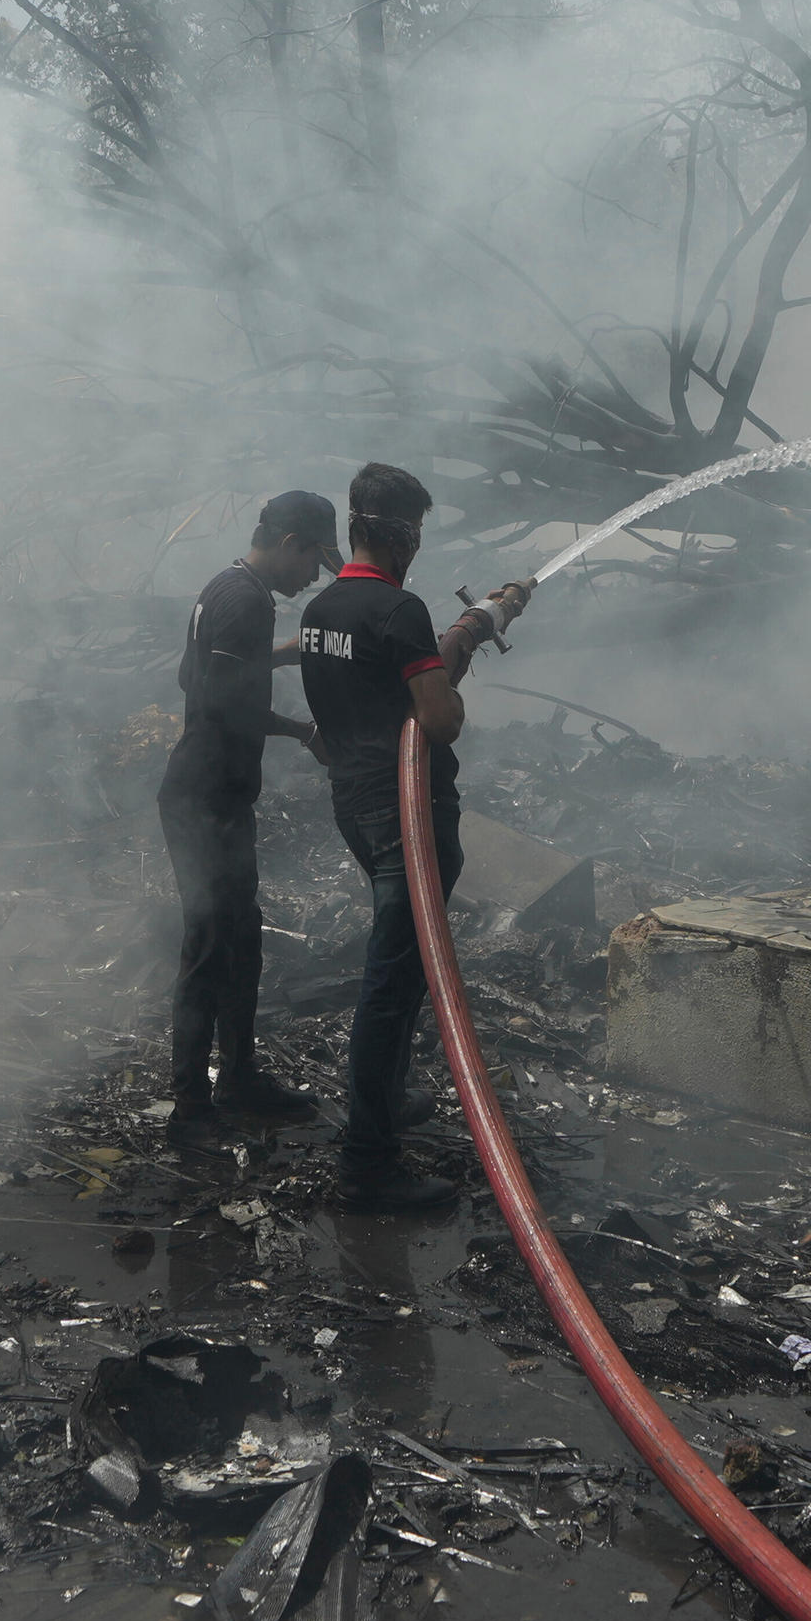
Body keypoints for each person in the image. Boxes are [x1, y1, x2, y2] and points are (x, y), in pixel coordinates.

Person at [296, 460, 528, 1208]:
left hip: (354, 807)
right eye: (418, 534)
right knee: (392, 985)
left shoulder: (321, 608)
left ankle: (389, 1101)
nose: (420, 549)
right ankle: (369, 1163)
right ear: (396, 533)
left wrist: (468, 628)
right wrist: (452, 657)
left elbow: (377, 689)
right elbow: (436, 716)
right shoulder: (396, 612)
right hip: (408, 819)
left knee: (396, 972)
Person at [157, 490, 340, 1124]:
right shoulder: (245, 601)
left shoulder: (226, 589)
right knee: (210, 942)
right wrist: (304, 733)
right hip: (205, 798)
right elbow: (222, 703)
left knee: (238, 938)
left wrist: (288, 650)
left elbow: (194, 676)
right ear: (291, 545)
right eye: (314, 559)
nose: (315, 575)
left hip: (213, 795)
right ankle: (190, 1102)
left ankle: (236, 1080)